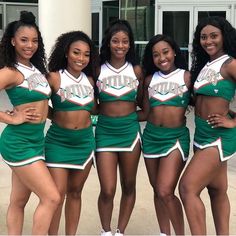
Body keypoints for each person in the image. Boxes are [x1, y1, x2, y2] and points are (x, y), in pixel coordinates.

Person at [0, 11, 60, 235]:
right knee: (51, 197)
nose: (30, 45)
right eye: (24, 40)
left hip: (36, 141)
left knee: (18, 201)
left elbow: (43, 105)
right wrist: (10, 117)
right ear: (13, 41)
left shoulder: (34, 69)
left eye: (34, 41)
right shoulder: (10, 71)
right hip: (19, 143)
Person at [179, 16, 236, 235]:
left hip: (219, 138)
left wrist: (232, 120)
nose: (208, 41)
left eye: (214, 36)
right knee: (217, 190)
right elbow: (203, 99)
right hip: (201, 135)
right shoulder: (205, 64)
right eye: (203, 37)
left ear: (224, 37)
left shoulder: (230, 63)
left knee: (187, 188)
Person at [44, 31, 98, 235]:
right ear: (66, 52)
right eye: (76, 52)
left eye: (86, 54)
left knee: (75, 193)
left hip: (84, 144)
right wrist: (55, 116)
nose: (81, 58)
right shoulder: (54, 77)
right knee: (56, 196)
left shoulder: (91, 81)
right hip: (58, 143)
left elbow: (94, 111)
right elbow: (40, 105)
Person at [95, 19, 143, 236]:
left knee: (129, 185)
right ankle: (106, 231)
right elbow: (90, 103)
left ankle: (120, 231)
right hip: (105, 132)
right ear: (108, 43)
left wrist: (129, 119)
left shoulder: (137, 70)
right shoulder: (97, 69)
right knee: (107, 189)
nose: (120, 46)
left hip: (130, 134)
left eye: (125, 41)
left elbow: (144, 105)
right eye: (116, 41)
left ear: (130, 44)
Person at [140, 34, 191, 235]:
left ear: (174, 52)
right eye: (155, 55)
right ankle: (164, 232)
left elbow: (206, 101)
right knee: (157, 191)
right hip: (151, 138)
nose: (162, 58)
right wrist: (111, 114)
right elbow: (144, 112)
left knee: (165, 190)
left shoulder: (186, 76)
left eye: (165, 52)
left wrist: (231, 117)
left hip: (175, 139)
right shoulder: (149, 79)